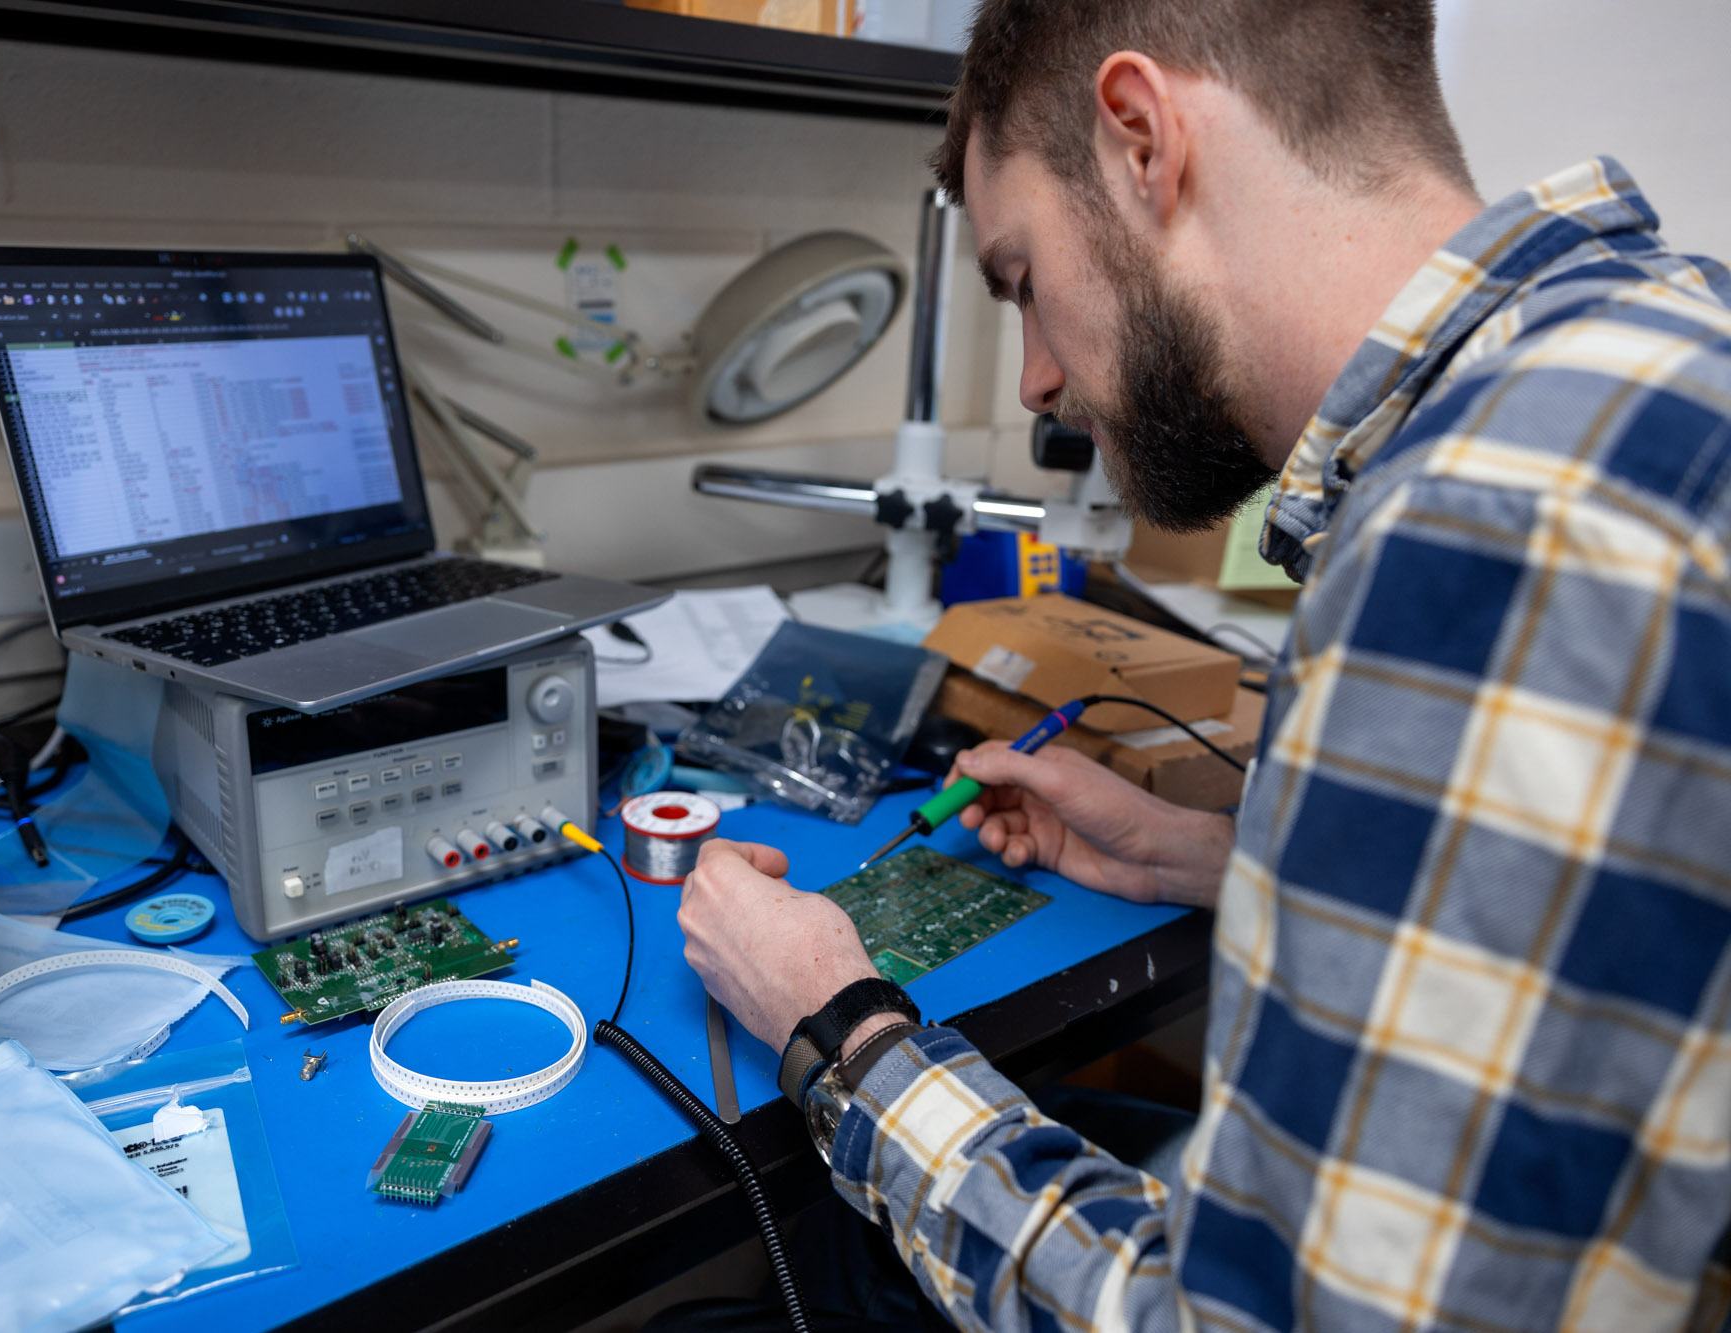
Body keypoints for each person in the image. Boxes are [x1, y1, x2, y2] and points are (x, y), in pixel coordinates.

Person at [673, 1, 1731, 1329]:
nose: (1041, 378)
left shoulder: (1491, 525)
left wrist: (846, 1032)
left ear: (1140, 139)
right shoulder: (1656, 357)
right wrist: (1214, 855)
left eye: (1022, 282)